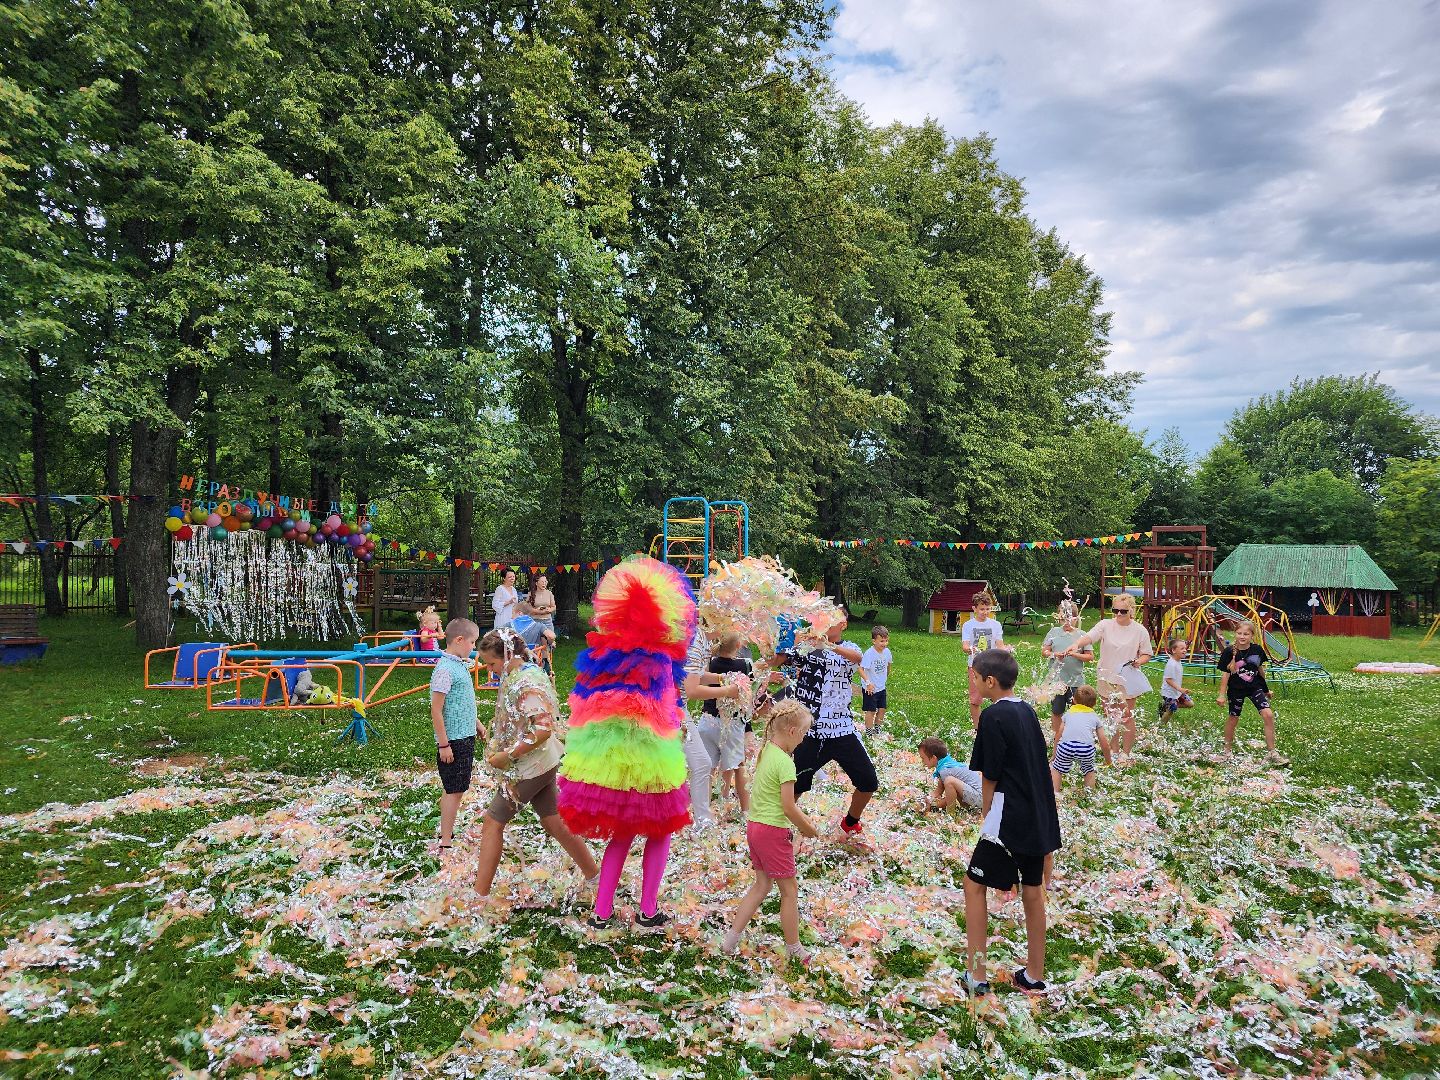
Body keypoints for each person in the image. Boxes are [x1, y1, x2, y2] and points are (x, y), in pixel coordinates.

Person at [558, 557, 697, 929]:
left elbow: (587, 708)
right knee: (660, 831)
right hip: (652, 760)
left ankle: (602, 912)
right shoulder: (662, 662)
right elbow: (667, 710)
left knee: (620, 836)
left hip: (612, 762)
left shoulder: (602, 657)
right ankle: (648, 909)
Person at [472, 630, 599, 904]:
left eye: (492, 664)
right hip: (542, 761)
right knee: (553, 821)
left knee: (492, 823)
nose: (489, 670)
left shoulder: (527, 682)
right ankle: (594, 874)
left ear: (507, 657)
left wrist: (508, 754)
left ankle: (479, 897)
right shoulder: (520, 673)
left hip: (530, 766)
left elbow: (542, 728)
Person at [963, 649, 1062, 996]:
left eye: (975, 677)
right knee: (1032, 891)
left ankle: (976, 976)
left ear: (989, 681)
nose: (972, 682)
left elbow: (988, 774)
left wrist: (986, 814)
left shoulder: (992, 717)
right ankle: (1034, 975)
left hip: (1006, 816)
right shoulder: (1027, 712)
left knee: (973, 886)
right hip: (1036, 814)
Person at [722, 698, 821, 963]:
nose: (803, 739)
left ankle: (729, 941)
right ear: (792, 732)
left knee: (762, 884)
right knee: (789, 891)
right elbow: (788, 807)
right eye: (803, 733)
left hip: (755, 827)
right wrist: (808, 828)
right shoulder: (786, 763)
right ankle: (794, 947)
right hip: (773, 831)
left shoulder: (767, 750)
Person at [789, 611, 877, 843]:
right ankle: (780, 827)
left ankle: (850, 821)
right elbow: (792, 659)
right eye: (822, 618)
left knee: (868, 781)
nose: (825, 623)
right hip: (812, 731)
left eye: (832, 619)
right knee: (795, 785)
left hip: (842, 730)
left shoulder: (848, 647)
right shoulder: (810, 647)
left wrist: (829, 646)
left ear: (843, 624)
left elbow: (857, 657)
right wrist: (802, 640)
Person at [1058, 595, 1153, 760]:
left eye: (1123, 611)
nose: (1118, 614)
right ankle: (1114, 751)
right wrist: (1077, 644)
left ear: (1131, 610)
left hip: (1126, 678)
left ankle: (1126, 753)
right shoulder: (1105, 625)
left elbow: (1147, 653)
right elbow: (1090, 636)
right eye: (1115, 610)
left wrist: (1139, 661)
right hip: (1106, 676)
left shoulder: (1139, 630)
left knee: (1126, 716)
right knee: (1110, 717)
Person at [429, 617, 487, 852]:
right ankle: (445, 841)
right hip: (453, 740)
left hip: (465, 734)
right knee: (455, 789)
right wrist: (444, 744)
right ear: (459, 640)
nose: (474, 647)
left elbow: (462, 703)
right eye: (472, 642)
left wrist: (477, 724)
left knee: (454, 786)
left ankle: (447, 830)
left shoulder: (458, 664)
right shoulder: (444, 669)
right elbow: (436, 709)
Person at [681, 627, 744, 828]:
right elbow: (691, 689)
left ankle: (702, 820)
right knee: (701, 763)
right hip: (669, 709)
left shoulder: (704, 640)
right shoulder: (696, 641)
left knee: (702, 763)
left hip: (677, 708)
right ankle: (702, 821)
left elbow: (697, 676)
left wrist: (720, 679)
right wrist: (726, 690)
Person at [698, 632, 754, 816]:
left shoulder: (711, 663)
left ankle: (703, 810)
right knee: (739, 766)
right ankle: (746, 811)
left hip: (707, 721)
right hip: (731, 724)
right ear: (739, 646)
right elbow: (748, 696)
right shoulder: (744, 666)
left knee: (708, 767)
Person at [1217, 621, 1286, 764]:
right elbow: (1225, 675)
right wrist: (1222, 695)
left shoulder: (1257, 650)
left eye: (1246, 634)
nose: (1242, 636)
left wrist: (1266, 690)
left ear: (1252, 635)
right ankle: (1227, 752)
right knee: (1233, 718)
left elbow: (1260, 670)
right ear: (1235, 634)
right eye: (1239, 633)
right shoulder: (1229, 652)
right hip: (1236, 691)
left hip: (1254, 688)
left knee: (1268, 714)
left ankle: (1272, 753)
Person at [1050, 685, 1113, 796]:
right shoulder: (1094, 717)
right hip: (1086, 749)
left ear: (1073, 700)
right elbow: (1103, 741)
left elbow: (1058, 735)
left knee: (1057, 768)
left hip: (1066, 747)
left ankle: (1055, 792)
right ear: (1094, 704)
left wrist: (1055, 753)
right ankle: (1089, 794)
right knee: (1089, 771)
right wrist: (1108, 760)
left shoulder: (1068, 714)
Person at [1040, 601, 1092, 729]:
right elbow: (1044, 652)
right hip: (1057, 681)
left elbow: (1090, 656)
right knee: (1057, 711)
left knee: (1076, 711)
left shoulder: (1082, 635)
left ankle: (1073, 734)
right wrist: (1054, 654)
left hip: (1076, 681)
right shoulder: (1053, 632)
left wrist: (1075, 654)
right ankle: (1057, 735)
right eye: (1063, 619)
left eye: (1070, 619)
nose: (1067, 623)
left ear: (1076, 618)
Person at [962, 591, 1008, 729]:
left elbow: (1000, 645)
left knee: (998, 698)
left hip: (994, 666)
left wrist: (1006, 651)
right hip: (975, 667)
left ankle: (998, 726)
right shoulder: (968, 625)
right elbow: (964, 646)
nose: (985, 612)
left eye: (988, 609)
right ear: (974, 609)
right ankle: (978, 729)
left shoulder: (996, 625)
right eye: (982, 609)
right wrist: (972, 649)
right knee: (976, 700)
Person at [917, 736, 983, 810]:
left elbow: (948, 799)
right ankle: (967, 809)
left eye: (923, 758)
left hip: (981, 798)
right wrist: (925, 800)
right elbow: (938, 791)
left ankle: (951, 813)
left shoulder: (946, 770)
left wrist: (932, 806)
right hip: (979, 796)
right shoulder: (945, 765)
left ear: (933, 758)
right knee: (950, 782)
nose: (922, 762)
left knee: (949, 781)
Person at [859, 625, 894, 737]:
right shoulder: (869, 654)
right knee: (871, 710)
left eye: (886, 641)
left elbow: (888, 664)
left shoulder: (887, 652)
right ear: (874, 641)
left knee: (882, 709)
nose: (884, 644)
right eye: (881, 641)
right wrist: (868, 683)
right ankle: (869, 733)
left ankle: (877, 730)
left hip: (881, 686)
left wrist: (886, 675)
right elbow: (860, 669)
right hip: (870, 688)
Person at [1158, 637, 1194, 720]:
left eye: (1185, 648)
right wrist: (1180, 689)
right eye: (1182, 649)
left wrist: (1179, 689)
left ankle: (1166, 706)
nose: (1185, 650)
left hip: (1177, 691)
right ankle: (1161, 726)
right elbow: (1168, 679)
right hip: (1169, 693)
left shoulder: (1178, 661)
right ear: (1174, 650)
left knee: (1190, 704)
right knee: (1170, 711)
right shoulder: (1171, 664)